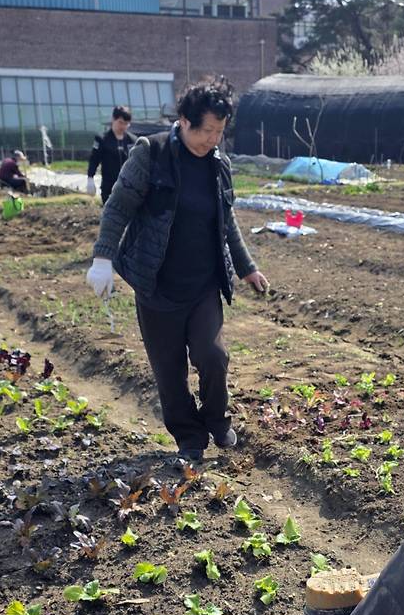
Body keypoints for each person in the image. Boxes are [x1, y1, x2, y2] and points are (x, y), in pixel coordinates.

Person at [85, 78, 269, 463]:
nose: (213, 140)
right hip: (157, 286)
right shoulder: (150, 154)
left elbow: (226, 221)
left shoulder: (219, 165)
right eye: (207, 131)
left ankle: (217, 420)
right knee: (169, 372)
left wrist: (247, 267)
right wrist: (103, 256)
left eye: (220, 132)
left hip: (203, 283)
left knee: (213, 355)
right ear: (184, 121)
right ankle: (189, 436)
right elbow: (119, 206)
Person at [86, 106, 135, 204]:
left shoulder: (132, 140)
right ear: (113, 119)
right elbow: (94, 159)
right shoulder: (102, 139)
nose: (123, 127)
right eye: (120, 122)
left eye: (126, 124)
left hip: (129, 188)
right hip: (109, 187)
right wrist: (90, 178)